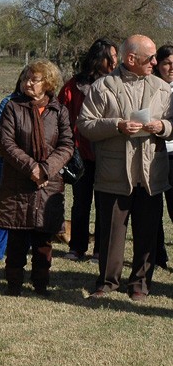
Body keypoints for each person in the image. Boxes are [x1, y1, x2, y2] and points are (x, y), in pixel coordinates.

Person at [78, 34, 173, 301]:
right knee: (111, 233)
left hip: (150, 173)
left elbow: (172, 123)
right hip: (114, 173)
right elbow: (85, 124)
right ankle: (107, 282)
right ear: (131, 59)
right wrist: (116, 125)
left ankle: (140, 284)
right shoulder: (103, 86)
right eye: (151, 57)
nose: (156, 62)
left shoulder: (163, 89)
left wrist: (163, 127)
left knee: (147, 232)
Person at [0, 61, 73, 296]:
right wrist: (32, 168)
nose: (27, 83)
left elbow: (67, 144)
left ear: (48, 83)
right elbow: (7, 144)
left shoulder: (58, 110)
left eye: (34, 79)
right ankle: (14, 284)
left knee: (43, 238)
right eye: (25, 78)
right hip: (18, 181)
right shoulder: (13, 107)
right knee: (17, 237)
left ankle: (41, 283)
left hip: (49, 184)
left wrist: (46, 169)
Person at [58, 38, 118, 262]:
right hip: (81, 154)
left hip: (109, 154)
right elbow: (61, 115)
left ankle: (100, 250)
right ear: (99, 59)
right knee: (81, 203)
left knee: (105, 204)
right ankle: (77, 247)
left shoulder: (117, 84)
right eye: (111, 57)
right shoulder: (74, 86)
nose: (115, 62)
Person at [0, 68, 27, 263]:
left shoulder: (48, 105)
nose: (31, 84)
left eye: (37, 80)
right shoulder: (8, 103)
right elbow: (5, 138)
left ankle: (24, 246)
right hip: (9, 162)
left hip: (36, 165)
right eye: (27, 79)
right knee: (4, 205)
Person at [153, 44, 173, 269]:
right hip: (156, 153)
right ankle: (158, 256)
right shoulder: (153, 87)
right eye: (167, 63)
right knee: (154, 210)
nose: (171, 67)